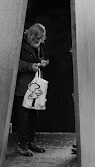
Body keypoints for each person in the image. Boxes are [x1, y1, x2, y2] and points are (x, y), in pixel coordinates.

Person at [14, 23, 49, 156]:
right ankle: (22, 145)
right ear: (31, 36)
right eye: (37, 40)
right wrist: (30, 66)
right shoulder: (19, 42)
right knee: (23, 117)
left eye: (41, 40)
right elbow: (15, 62)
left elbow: (38, 58)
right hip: (23, 85)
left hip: (35, 84)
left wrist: (42, 61)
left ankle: (31, 142)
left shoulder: (38, 44)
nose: (39, 43)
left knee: (34, 115)